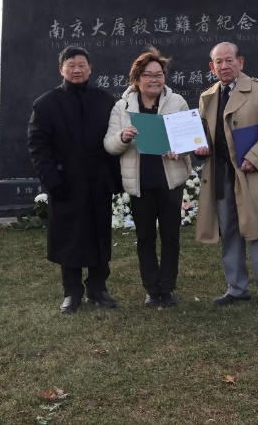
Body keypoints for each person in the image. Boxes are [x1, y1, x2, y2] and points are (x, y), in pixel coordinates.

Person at [27, 46, 122, 315]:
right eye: (71, 65)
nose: (77, 69)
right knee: (69, 236)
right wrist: (52, 181)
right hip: (65, 179)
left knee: (99, 233)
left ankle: (98, 287)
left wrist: (114, 179)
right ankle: (72, 291)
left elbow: (115, 140)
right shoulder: (45, 104)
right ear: (61, 70)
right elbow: (37, 145)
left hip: (98, 177)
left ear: (90, 69)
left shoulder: (105, 101)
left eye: (82, 65)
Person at [194, 42, 258, 311]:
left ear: (240, 62)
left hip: (252, 175)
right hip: (222, 175)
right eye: (218, 62)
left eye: (229, 60)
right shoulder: (207, 96)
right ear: (212, 68)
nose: (224, 66)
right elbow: (203, 136)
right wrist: (200, 149)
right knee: (229, 232)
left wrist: (254, 158)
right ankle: (237, 288)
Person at [104, 46, 192, 308]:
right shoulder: (123, 107)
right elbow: (109, 144)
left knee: (171, 236)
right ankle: (151, 290)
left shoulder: (177, 102)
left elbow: (190, 138)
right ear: (137, 78)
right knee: (145, 237)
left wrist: (181, 148)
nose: (154, 79)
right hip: (140, 182)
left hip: (170, 180)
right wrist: (123, 137)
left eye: (159, 74)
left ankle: (168, 288)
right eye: (148, 74)